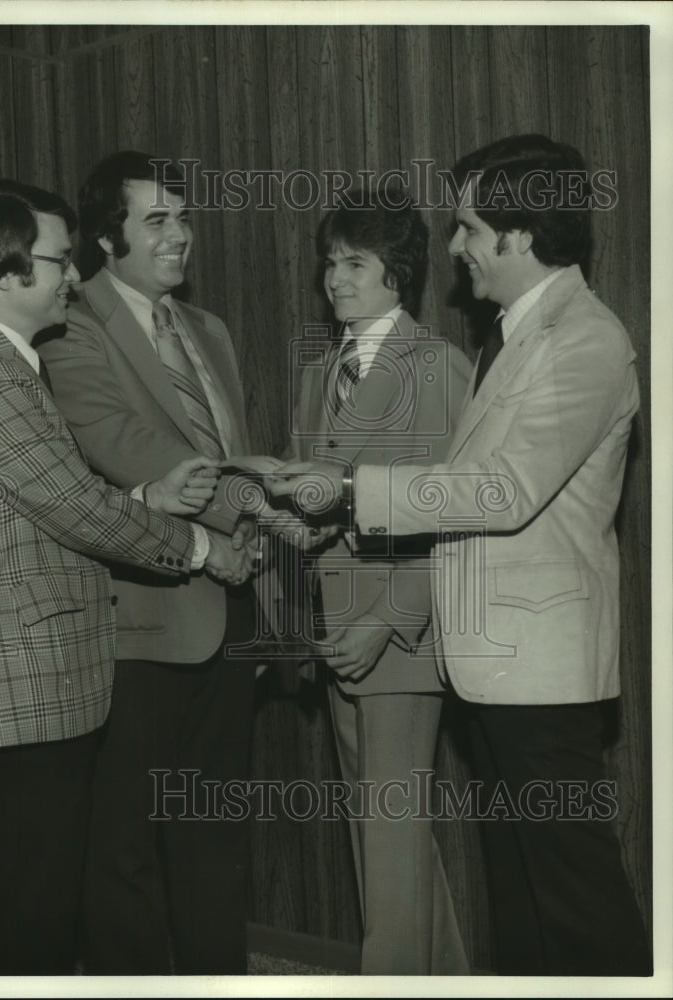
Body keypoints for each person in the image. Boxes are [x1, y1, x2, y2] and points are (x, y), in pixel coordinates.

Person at [268, 135, 652, 976]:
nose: (454, 248)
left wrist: (352, 493)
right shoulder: (512, 336)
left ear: (519, 236)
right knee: (521, 900)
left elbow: (503, 490)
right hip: (496, 665)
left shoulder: (585, 340)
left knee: (577, 904)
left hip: (541, 669)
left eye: (470, 229)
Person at [0, 179, 251, 975]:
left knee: (45, 917)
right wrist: (202, 549)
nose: (74, 276)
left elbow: (50, 504)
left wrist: (144, 497)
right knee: (26, 930)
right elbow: (76, 509)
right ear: (3, 272)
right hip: (22, 691)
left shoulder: (3, 365)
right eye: (60, 261)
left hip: (43, 690)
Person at [37, 151, 260, 974]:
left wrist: (264, 514)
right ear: (105, 239)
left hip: (230, 612)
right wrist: (252, 508)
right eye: (156, 220)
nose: (181, 236)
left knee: (215, 835)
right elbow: (124, 446)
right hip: (135, 620)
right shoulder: (71, 321)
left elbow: (229, 457)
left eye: (184, 217)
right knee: (123, 848)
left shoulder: (212, 332)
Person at [269, 193, 471, 974]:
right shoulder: (321, 373)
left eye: (354, 261)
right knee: (384, 835)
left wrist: (387, 620)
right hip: (339, 628)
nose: (334, 278)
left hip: (400, 631)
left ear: (400, 271)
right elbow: (331, 499)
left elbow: (457, 522)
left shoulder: (439, 367)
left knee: (388, 839)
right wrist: (301, 526)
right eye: (329, 262)